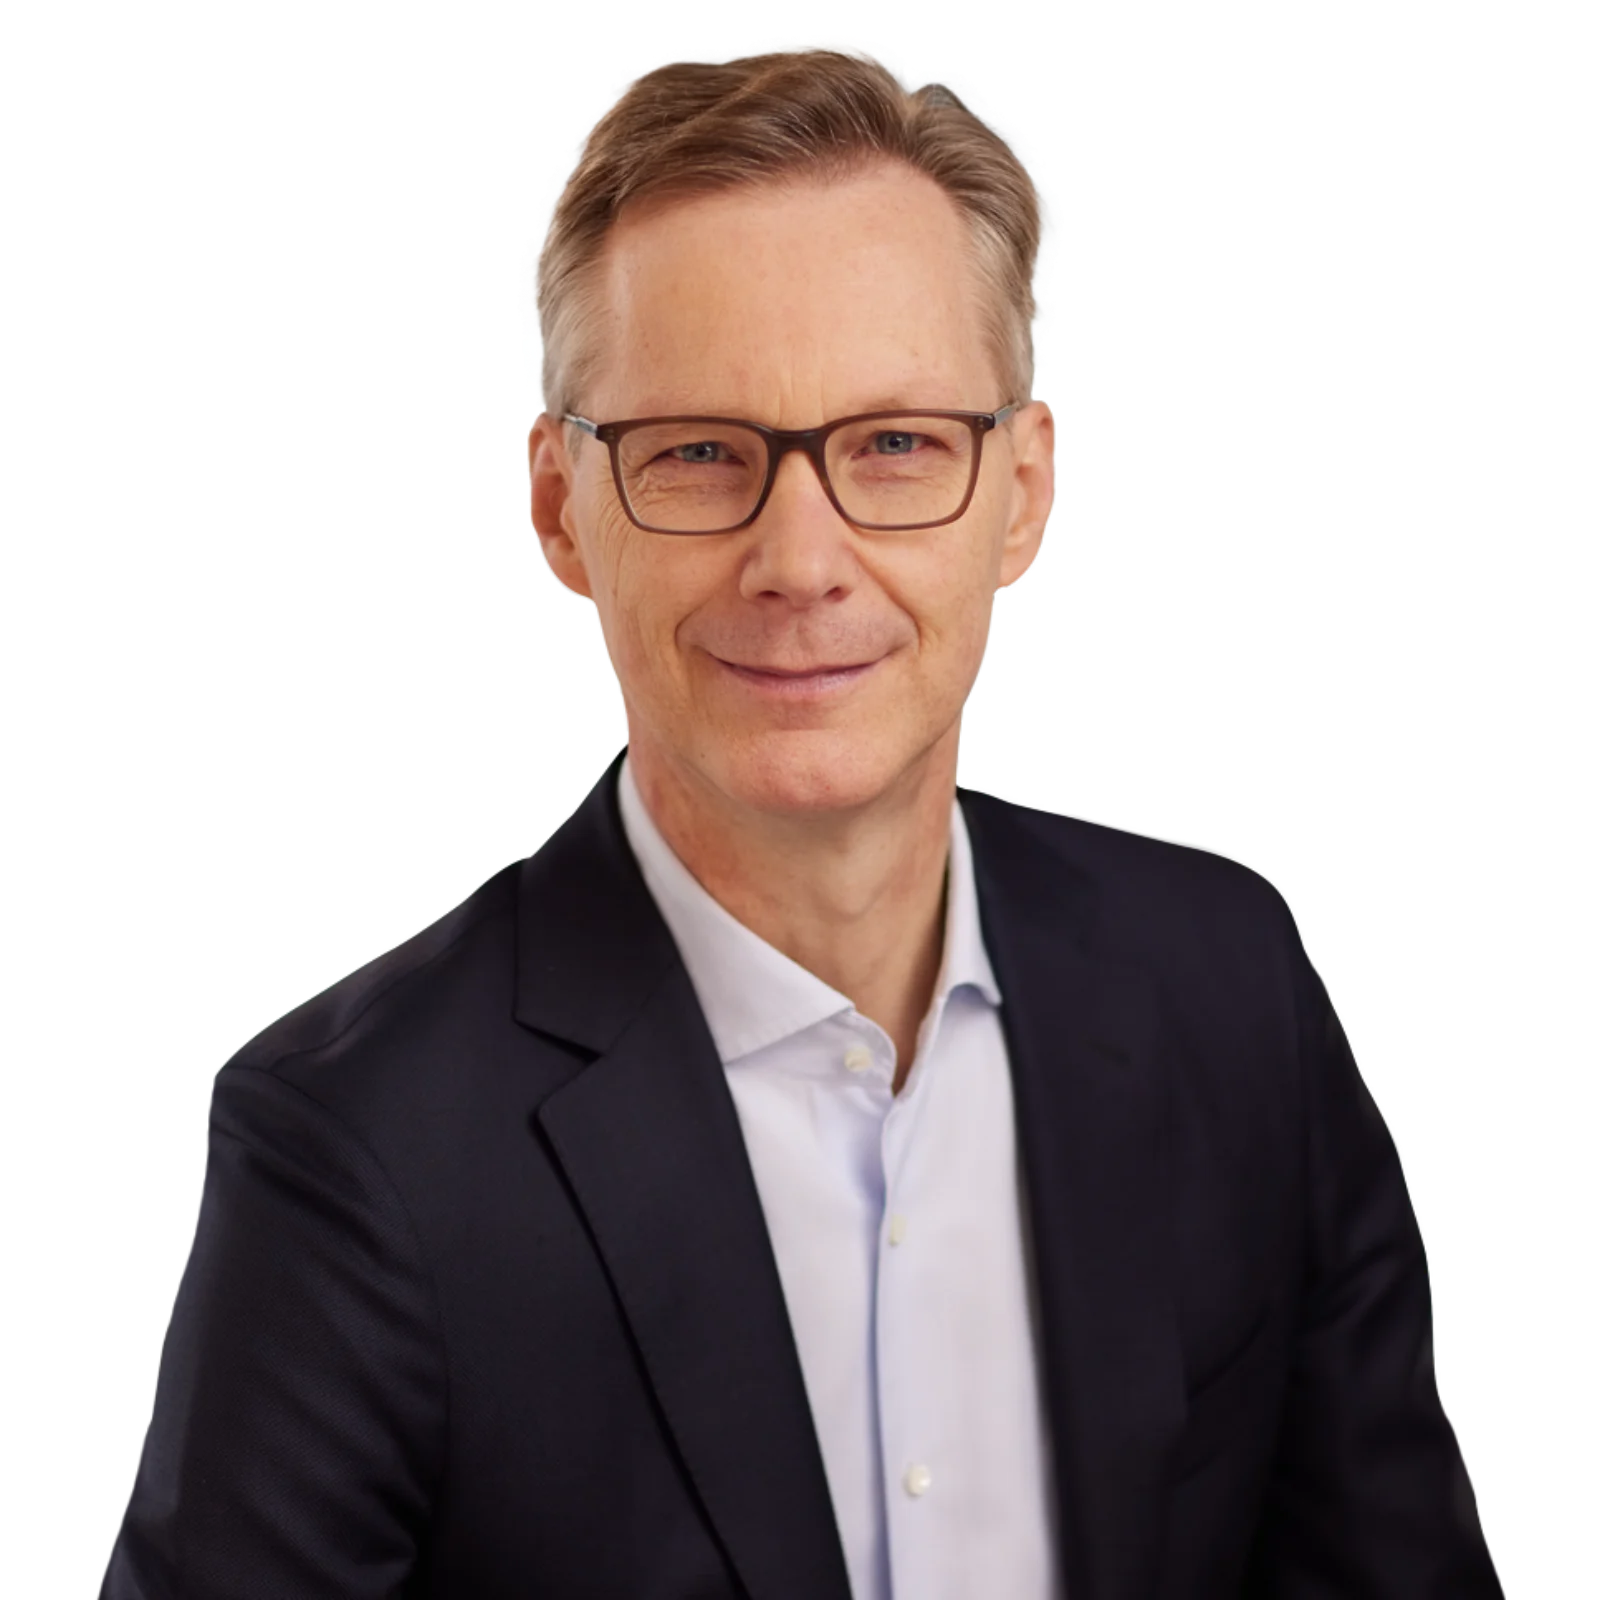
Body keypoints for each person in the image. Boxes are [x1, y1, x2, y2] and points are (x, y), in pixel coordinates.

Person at [102, 41, 1502, 1599]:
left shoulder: (1230, 984)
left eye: (894, 444)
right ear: (560, 507)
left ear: (1023, 489)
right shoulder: (352, 1149)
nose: (800, 562)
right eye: (701, 454)